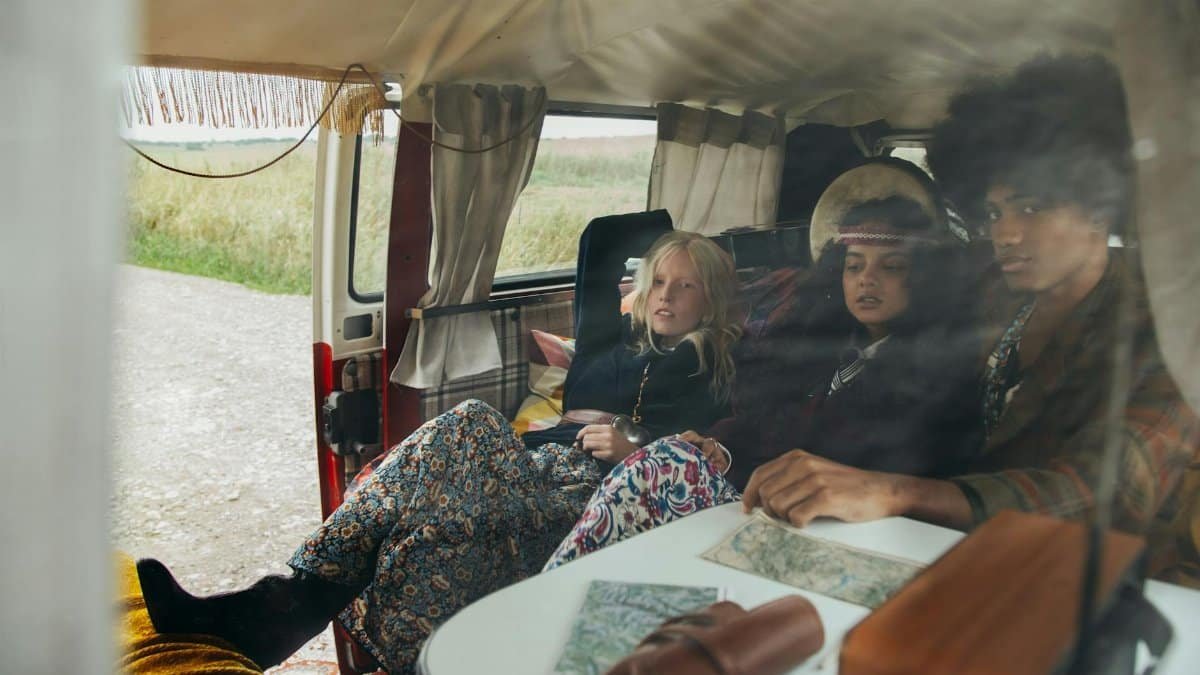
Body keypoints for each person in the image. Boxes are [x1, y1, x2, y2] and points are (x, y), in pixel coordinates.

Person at [135, 214, 743, 672]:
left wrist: (635, 441)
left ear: (710, 299)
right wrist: (654, 250)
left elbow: (704, 456)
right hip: (543, 459)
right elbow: (602, 247)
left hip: (598, 496)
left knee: (463, 451)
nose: (665, 295)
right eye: (658, 281)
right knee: (451, 462)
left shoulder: (709, 366)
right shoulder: (616, 341)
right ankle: (284, 605)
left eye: (685, 287)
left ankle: (283, 610)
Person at [739, 54, 1200, 586]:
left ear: (1099, 205)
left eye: (1030, 208)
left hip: (1080, 579)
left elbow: (1098, 493)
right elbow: (885, 264)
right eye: (995, 212)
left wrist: (895, 491)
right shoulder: (991, 279)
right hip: (935, 548)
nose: (1005, 234)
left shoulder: (1168, 330)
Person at [545, 160, 982, 568]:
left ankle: (559, 585)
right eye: (853, 266)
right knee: (670, 455)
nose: (867, 279)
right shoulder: (818, 353)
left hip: (824, 525)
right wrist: (719, 448)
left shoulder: (932, 373)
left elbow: (887, 470)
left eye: (891, 267)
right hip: (755, 499)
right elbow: (758, 425)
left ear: (922, 277)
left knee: (657, 462)